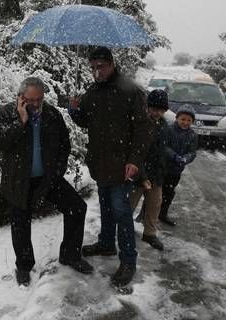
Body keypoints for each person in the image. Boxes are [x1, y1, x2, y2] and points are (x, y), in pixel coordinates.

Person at [0, 77, 93, 287]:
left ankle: (71, 255)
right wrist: (21, 120)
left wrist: (57, 172)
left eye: (40, 99)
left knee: (77, 207)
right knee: (20, 224)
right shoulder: (7, 113)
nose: (36, 104)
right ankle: (24, 266)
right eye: (31, 100)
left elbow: (64, 144)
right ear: (20, 97)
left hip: (48, 178)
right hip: (19, 181)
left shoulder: (52, 115)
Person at [68, 47, 152, 287]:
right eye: (93, 67)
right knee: (105, 205)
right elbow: (85, 121)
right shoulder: (93, 91)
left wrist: (135, 160)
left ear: (112, 63)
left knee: (121, 210)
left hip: (122, 165)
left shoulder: (130, 90)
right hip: (100, 163)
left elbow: (144, 129)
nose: (96, 72)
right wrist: (74, 109)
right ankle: (106, 244)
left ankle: (128, 260)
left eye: (101, 66)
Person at [130, 89, 169, 251]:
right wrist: (142, 176)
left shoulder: (164, 125)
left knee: (154, 204)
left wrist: (162, 171)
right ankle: (120, 229)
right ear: (147, 107)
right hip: (137, 173)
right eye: (153, 109)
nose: (156, 113)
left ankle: (150, 233)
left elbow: (162, 151)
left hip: (156, 175)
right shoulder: (140, 124)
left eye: (160, 110)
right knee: (129, 205)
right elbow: (136, 153)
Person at [159, 104, 198, 226]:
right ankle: (146, 215)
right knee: (156, 192)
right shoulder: (169, 129)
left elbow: (192, 152)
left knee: (169, 192)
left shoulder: (192, 135)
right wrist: (174, 156)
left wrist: (185, 158)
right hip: (162, 168)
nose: (185, 122)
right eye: (183, 119)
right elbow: (163, 146)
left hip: (176, 171)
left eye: (189, 120)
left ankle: (162, 214)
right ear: (177, 118)